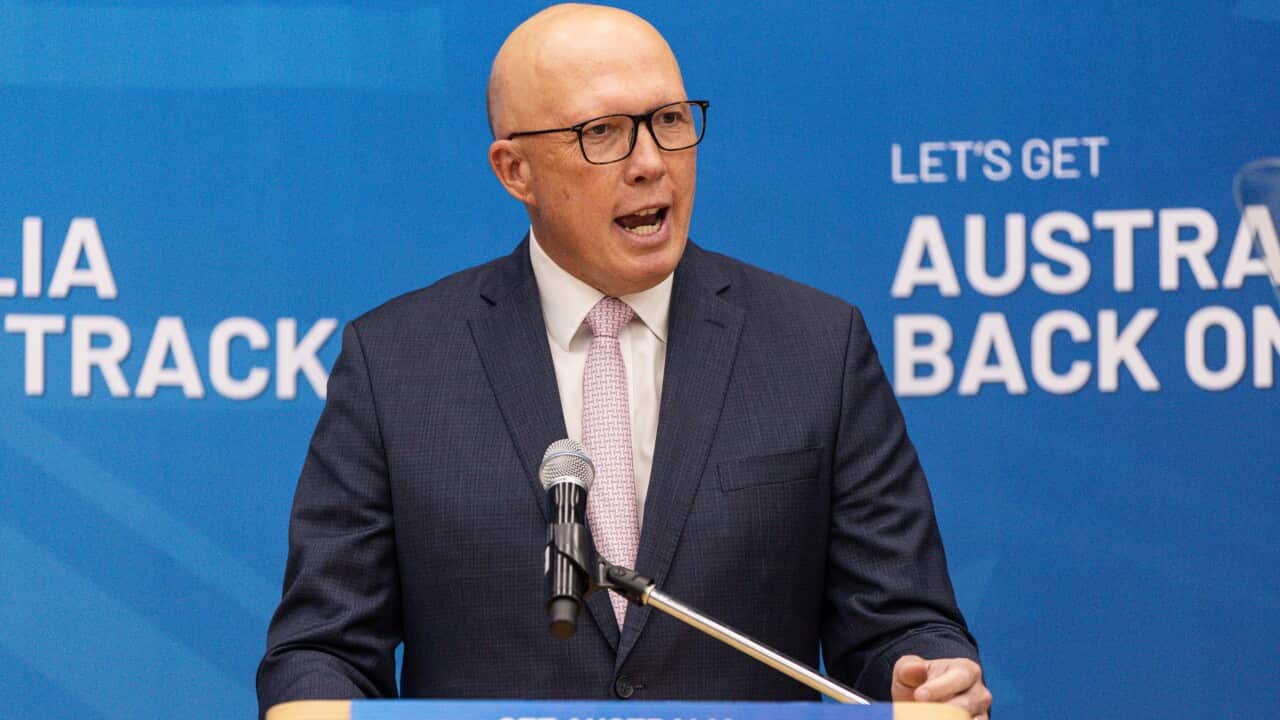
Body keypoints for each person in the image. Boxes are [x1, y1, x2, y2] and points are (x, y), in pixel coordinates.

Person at [257, 4, 992, 719]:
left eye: (670, 121)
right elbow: (324, 648)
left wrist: (924, 678)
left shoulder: (815, 347)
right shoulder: (397, 365)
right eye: (602, 132)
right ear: (516, 171)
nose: (650, 163)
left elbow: (899, 625)